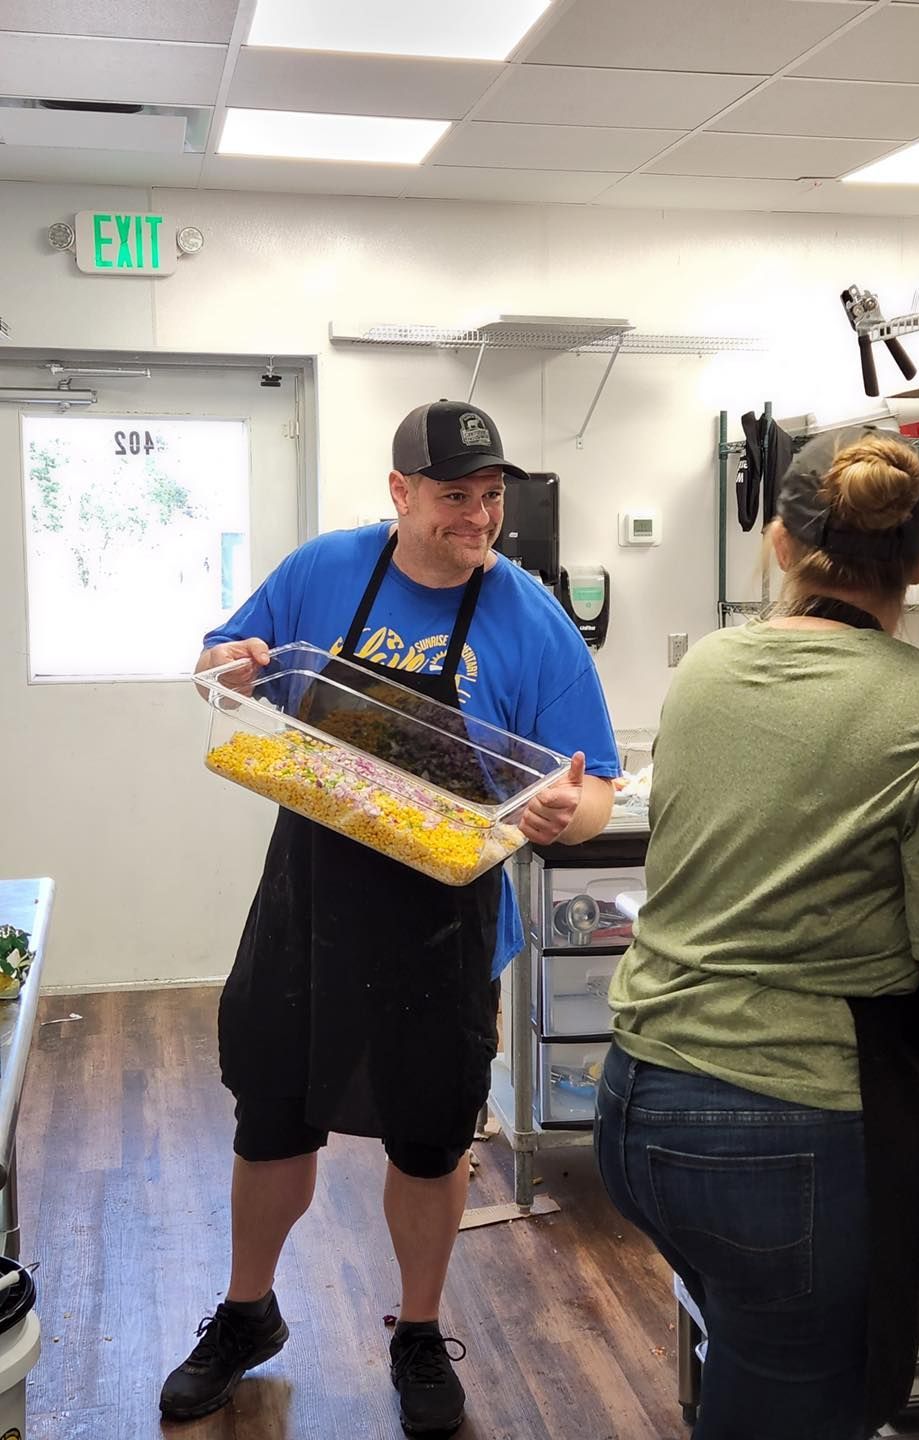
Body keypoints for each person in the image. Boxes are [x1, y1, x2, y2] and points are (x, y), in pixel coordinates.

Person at [162, 399, 619, 1433]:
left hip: (442, 928)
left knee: (427, 1141)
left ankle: (417, 1330)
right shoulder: (324, 570)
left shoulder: (530, 618)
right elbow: (218, 663)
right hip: (308, 910)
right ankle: (247, 1313)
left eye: (493, 496)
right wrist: (220, 671)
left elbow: (590, 792)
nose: (479, 517)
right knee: (271, 1118)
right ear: (400, 493)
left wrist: (560, 811)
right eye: (455, 495)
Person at [597, 430, 919, 1440]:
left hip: (638, 1105)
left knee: (757, 1361)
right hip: (783, 1130)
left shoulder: (708, 669)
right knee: (792, 1399)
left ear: (782, 548)